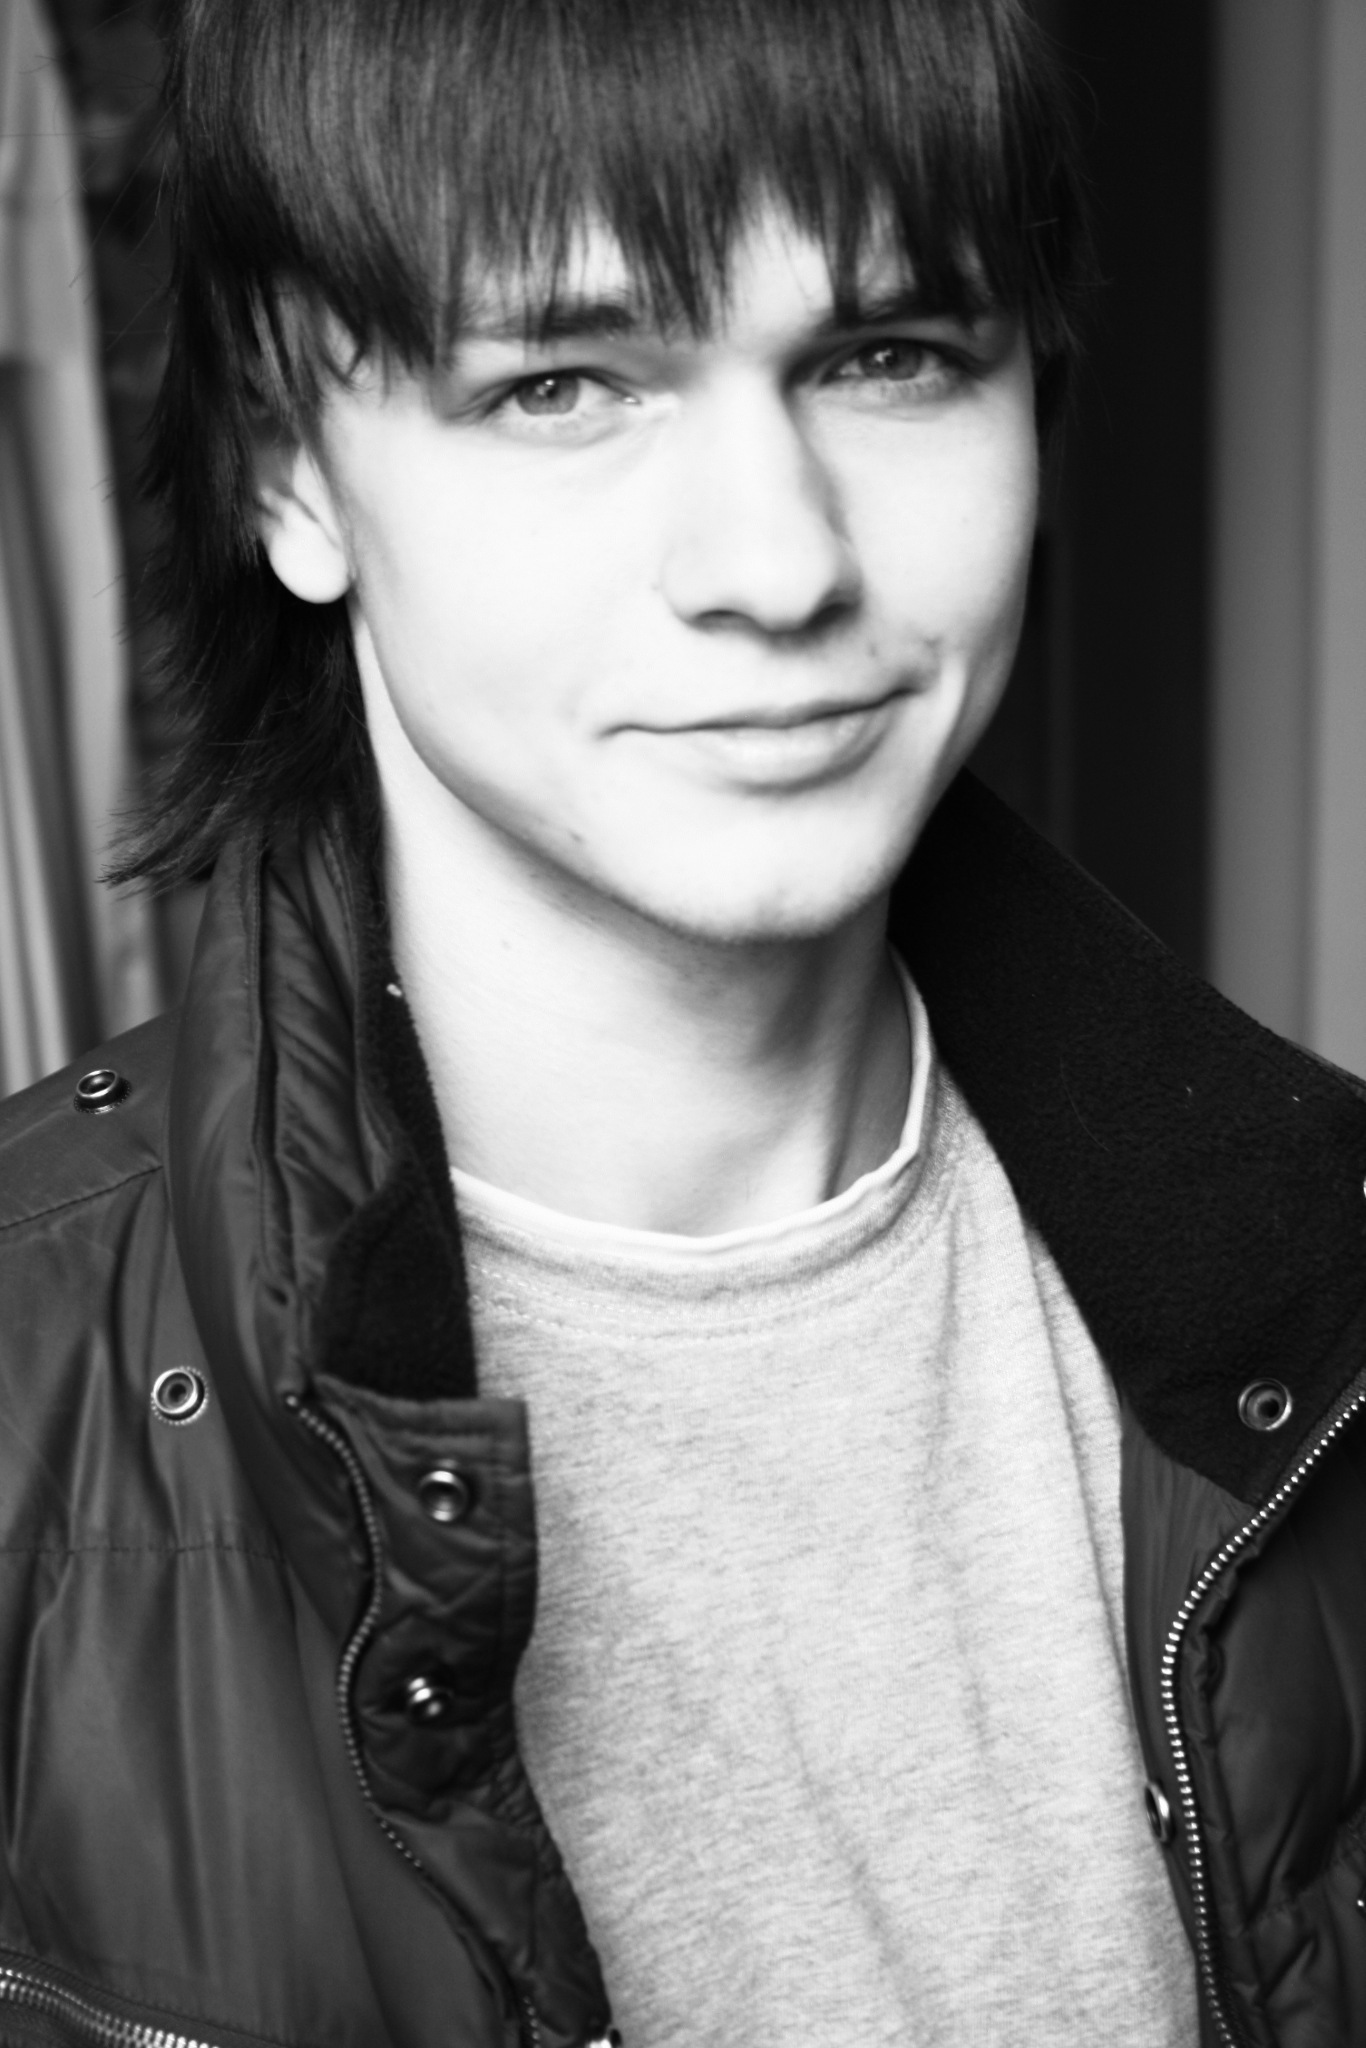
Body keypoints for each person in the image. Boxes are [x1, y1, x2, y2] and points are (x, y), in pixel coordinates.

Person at [2, 0, 1365, 2043]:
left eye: (887, 355)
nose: (776, 562)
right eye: (562, 385)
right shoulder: (26, 1409)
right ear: (290, 468)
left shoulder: (1325, 1267)